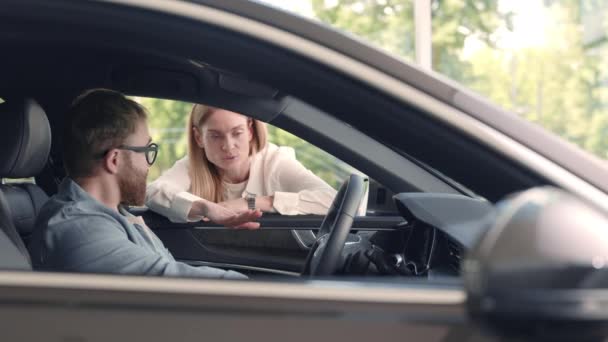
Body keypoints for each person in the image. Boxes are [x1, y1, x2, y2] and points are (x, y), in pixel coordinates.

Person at [28, 89, 261, 279]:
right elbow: (167, 280)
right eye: (147, 150)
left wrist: (207, 207)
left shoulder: (111, 213)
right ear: (115, 160)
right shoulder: (78, 228)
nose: (149, 165)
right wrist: (255, 292)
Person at [146, 104, 338, 223]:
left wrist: (253, 203)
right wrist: (207, 208)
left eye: (237, 133)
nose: (228, 146)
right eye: (215, 136)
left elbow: (334, 201)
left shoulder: (274, 161)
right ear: (199, 138)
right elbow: (154, 192)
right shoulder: (191, 166)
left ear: (250, 131)